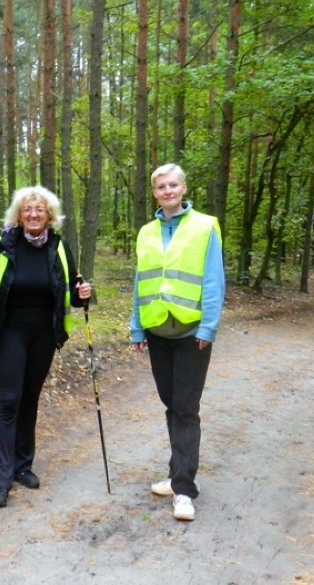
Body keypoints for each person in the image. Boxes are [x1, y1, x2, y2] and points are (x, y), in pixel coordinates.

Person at [0, 185, 92, 508]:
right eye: (28, 209)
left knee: (30, 399)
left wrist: (84, 294)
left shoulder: (59, 247)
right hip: (11, 332)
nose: (34, 214)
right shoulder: (4, 245)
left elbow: (73, 288)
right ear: (19, 215)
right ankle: (1, 478)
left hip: (44, 333)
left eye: (40, 210)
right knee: (10, 400)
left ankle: (22, 466)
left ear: (49, 215)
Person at [129, 163, 225, 522]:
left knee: (186, 408)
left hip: (191, 332)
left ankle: (184, 489)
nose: (167, 191)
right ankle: (175, 473)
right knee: (172, 404)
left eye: (173, 185)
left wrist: (208, 327)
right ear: (154, 193)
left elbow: (213, 280)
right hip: (156, 331)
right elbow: (141, 281)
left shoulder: (204, 226)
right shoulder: (146, 232)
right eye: (161, 187)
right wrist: (136, 326)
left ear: (184, 188)